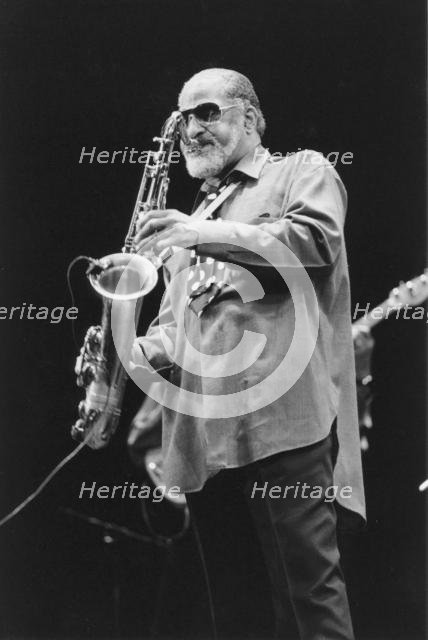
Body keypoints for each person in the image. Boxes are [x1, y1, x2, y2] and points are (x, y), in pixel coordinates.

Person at [131, 68, 365, 640]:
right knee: (235, 618)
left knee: (309, 607)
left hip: (282, 426)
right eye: (184, 118)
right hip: (202, 444)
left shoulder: (301, 170)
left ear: (252, 120)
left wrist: (195, 234)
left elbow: (313, 242)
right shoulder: (195, 220)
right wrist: (122, 351)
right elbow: (174, 331)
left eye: (207, 111)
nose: (191, 128)